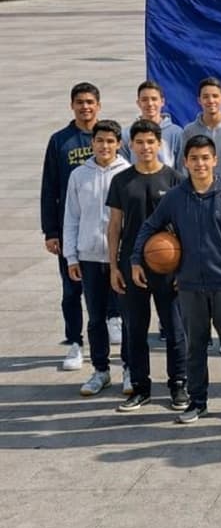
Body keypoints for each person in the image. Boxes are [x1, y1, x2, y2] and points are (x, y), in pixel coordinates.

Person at [131, 134, 221, 426]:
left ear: (215, 160)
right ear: (185, 162)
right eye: (194, 158)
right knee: (195, 346)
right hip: (189, 286)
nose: (200, 163)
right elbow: (150, 226)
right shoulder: (175, 198)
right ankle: (197, 402)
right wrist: (137, 258)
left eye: (205, 158)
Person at [106, 119, 187, 412]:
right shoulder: (122, 180)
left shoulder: (175, 179)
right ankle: (140, 387)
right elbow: (114, 226)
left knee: (175, 328)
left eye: (150, 142)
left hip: (169, 265)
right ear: (131, 145)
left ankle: (178, 384)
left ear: (160, 144)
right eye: (139, 142)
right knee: (135, 329)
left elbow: (185, 228)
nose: (145, 147)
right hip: (132, 265)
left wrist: (183, 268)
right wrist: (114, 267)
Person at [63, 119, 130, 397]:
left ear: (119, 144)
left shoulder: (128, 173)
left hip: (121, 258)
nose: (104, 146)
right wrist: (71, 256)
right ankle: (101, 370)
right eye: (99, 140)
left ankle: (130, 368)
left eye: (110, 141)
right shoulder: (79, 175)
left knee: (128, 316)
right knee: (95, 319)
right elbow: (71, 217)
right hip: (90, 257)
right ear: (92, 143)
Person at [41, 81, 100, 370]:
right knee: (71, 290)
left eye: (90, 102)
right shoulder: (59, 140)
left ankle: (111, 326)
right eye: (80, 102)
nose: (85, 107)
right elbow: (49, 187)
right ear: (72, 105)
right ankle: (75, 342)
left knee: (108, 288)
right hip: (70, 229)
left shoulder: (110, 136)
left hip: (102, 230)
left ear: (98, 106)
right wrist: (51, 231)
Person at [181, 77, 221, 183]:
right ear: (199, 100)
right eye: (205, 97)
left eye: (215, 96)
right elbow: (184, 168)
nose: (211, 101)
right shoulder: (189, 131)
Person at [119, 79, 184, 169]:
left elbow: (181, 168)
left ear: (162, 102)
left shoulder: (176, 133)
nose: (150, 104)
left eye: (154, 99)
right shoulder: (126, 134)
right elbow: (124, 168)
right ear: (138, 103)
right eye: (144, 100)